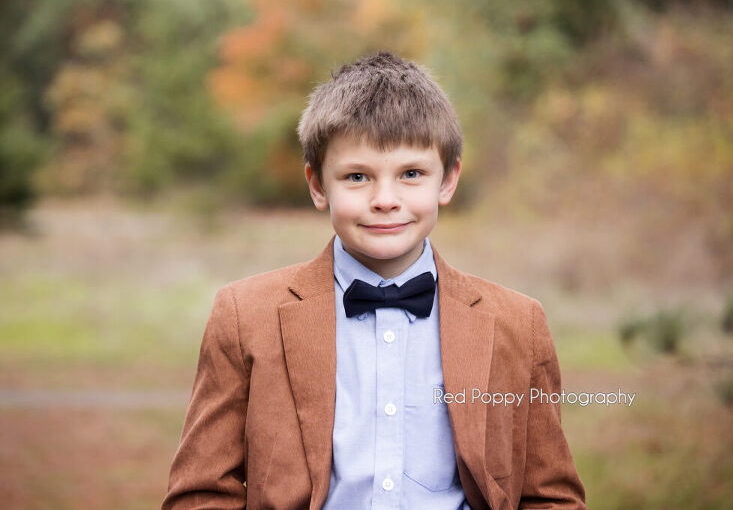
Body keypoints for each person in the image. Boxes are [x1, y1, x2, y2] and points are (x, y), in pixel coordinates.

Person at [162, 51, 587, 510]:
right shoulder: (244, 317)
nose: (385, 199)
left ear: (447, 180)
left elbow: (550, 497)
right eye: (357, 176)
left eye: (411, 174)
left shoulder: (519, 324)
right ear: (317, 186)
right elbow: (200, 494)